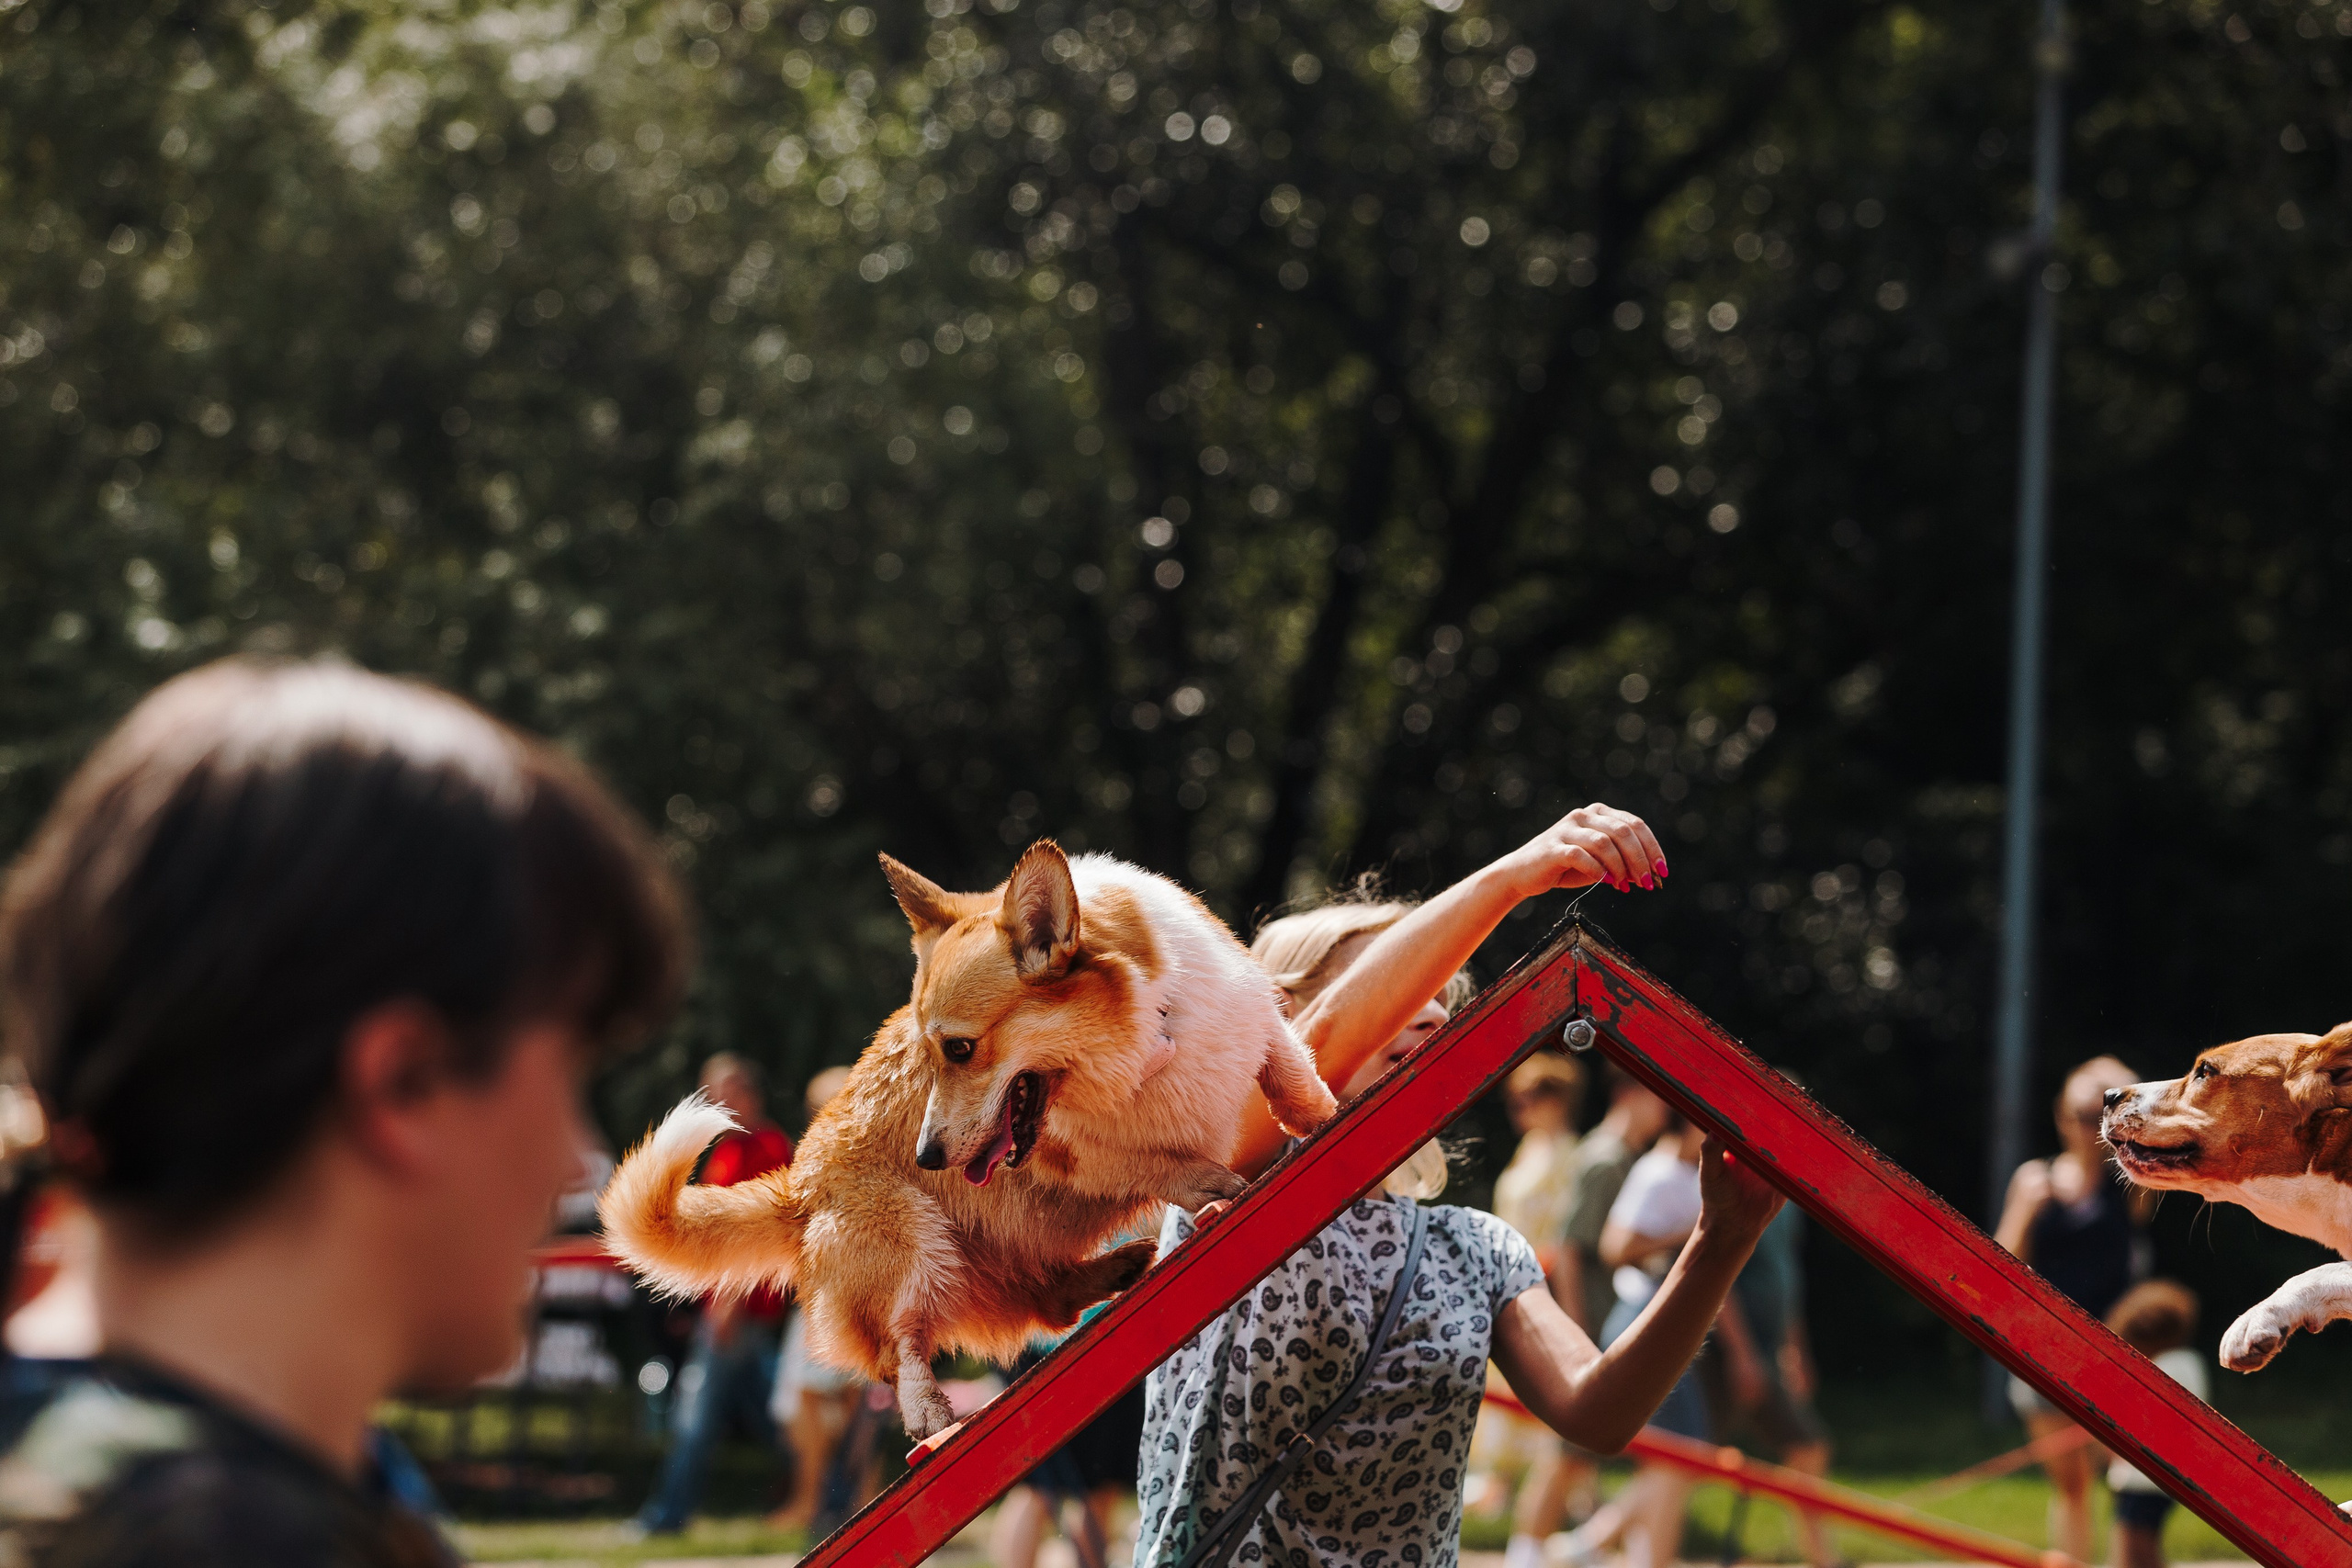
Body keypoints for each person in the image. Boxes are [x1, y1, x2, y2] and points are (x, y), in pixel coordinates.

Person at [0, 658, 689, 1565]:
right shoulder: (224, 1541)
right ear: (404, 1084)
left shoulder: (140, 1482)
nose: (577, 1159)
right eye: (571, 1070)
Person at [1130, 804, 1784, 1568]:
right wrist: (1516, 875)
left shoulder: (1473, 1248)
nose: (1437, 1013)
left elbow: (1599, 1412)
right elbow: (1332, 1040)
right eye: (1409, 996)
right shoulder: (1218, 1190)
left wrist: (1720, 1240)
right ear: (1275, 1026)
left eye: (1443, 1004)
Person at [1993, 1055, 2154, 1563]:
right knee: (2071, 1485)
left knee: (2124, 1480)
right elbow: (1998, 1267)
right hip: (2045, 1352)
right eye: (2078, 1115)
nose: (2087, 1128)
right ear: (2060, 1117)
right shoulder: (2033, 1181)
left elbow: (2149, 1124)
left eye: (2097, 1115)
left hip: (2113, 1351)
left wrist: (2121, 1094)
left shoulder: (2132, 1181)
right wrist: (2028, 1209)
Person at [633, 1053, 794, 1536]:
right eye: (712, 1092)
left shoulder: (767, 1146)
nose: (718, 1101)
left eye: (728, 1090)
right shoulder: (724, 1153)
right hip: (726, 1310)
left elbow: (757, 1236)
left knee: (696, 1417)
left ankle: (667, 1518)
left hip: (739, 1311)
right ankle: (833, 1494)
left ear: (751, 1094)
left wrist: (726, 1306)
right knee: (776, 1416)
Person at [1476, 1055, 1588, 1568]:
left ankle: (1557, 1538)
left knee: (1552, 1424)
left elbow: (1565, 1246)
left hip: (1541, 1296)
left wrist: (1574, 1316)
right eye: (1515, 1099)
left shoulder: (1570, 1157)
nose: (1518, 1109)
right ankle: (1584, 1534)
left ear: (1556, 1100)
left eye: (1529, 1098)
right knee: (1529, 1424)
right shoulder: (1528, 1151)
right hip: (1506, 1294)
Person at [766, 1066, 876, 1536]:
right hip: (855, 1299)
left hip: (831, 1300)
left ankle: (813, 1503)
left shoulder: (831, 1157)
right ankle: (860, 1504)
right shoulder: (872, 1155)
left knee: (815, 1404)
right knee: (857, 1407)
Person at [1713, 1200, 1838, 1568]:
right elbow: (1719, 1277)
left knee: (1807, 1447)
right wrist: (1742, 1355)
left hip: (1766, 1350)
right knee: (1683, 1458)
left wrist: (1795, 1348)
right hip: (1731, 1351)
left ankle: (1821, 1556)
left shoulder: (1788, 1202)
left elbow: (1787, 1276)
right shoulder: (1738, 1194)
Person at [2104, 1280, 2205, 1568]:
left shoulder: (2170, 1365)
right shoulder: (2186, 1362)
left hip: (2146, 1479)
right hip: (2151, 1479)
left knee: (2136, 1550)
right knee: (2136, 1549)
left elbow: (2145, 1416)